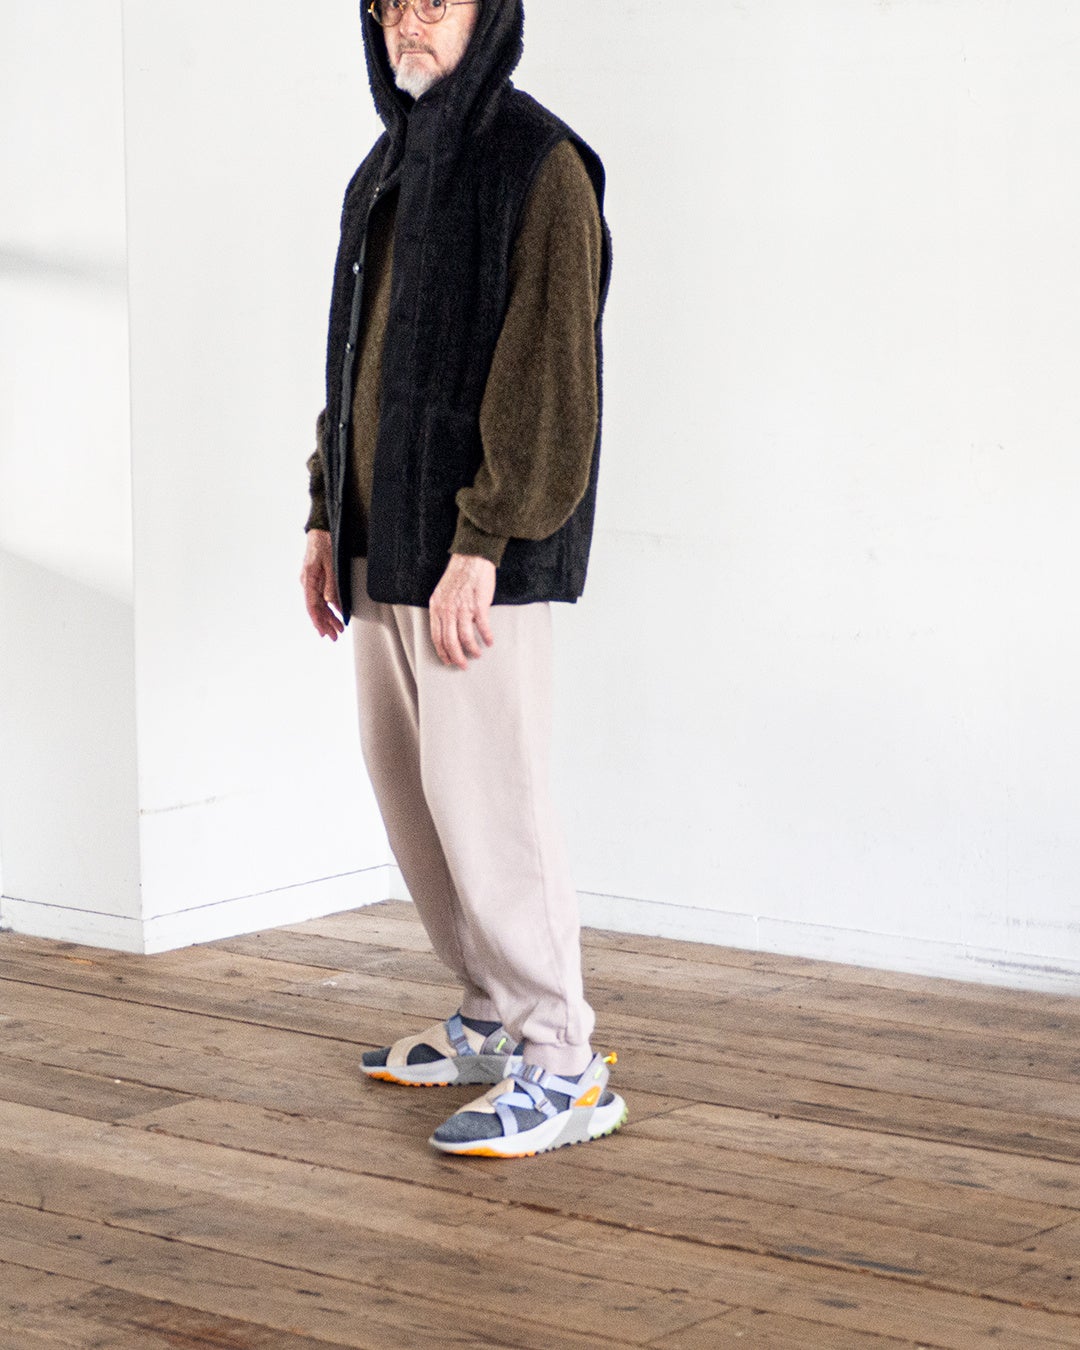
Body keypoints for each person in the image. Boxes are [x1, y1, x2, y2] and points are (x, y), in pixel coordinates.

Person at [300, 0, 622, 1158]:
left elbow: (552, 381)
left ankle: (565, 1061)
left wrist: (485, 542)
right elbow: (352, 359)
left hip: (474, 560)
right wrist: (324, 511)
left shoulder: (539, 166)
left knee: (493, 805)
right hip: (380, 544)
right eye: (393, 0)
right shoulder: (383, 170)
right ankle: (490, 1012)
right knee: (415, 793)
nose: (411, 18)